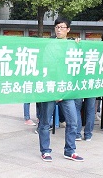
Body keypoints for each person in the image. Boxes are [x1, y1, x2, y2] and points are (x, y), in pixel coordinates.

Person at [36, 17, 83, 162]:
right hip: (51, 88)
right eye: (57, 27)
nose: (59, 30)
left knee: (73, 121)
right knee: (45, 122)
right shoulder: (50, 46)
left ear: (68, 30)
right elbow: (47, 67)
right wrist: (54, 89)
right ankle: (45, 151)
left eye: (62, 27)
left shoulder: (73, 45)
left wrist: (79, 45)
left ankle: (70, 150)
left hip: (66, 90)